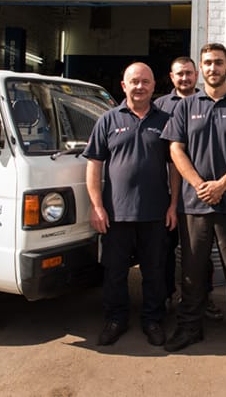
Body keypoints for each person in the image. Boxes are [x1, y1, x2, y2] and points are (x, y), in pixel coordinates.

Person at [160, 43, 226, 355]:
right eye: (207, 62)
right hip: (194, 205)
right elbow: (175, 148)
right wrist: (199, 184)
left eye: (218, 62)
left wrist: (222, 184)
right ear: (201, 68)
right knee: (192, 270)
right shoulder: (185, 107)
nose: (213, 68)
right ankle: (189, 327)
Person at [84, 62, 180, 348]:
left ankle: (153, 319)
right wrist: (97, 206)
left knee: (154, 271)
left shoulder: (166, 121)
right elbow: (94, 165)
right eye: (134, 81)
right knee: (115, 272)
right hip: (116, 213)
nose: (140, 86)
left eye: (145, 81)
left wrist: (173, 205)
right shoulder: (107, 120)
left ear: (154, 86)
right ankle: (116, 319)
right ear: (124, 86)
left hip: (156, 213)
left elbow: (174, 167)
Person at [155, 56, 224, 322]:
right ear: (171, 77)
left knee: (199, 254)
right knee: (166, 250)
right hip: (166, 194)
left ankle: (203, 298)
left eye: (188, 73)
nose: (184, 78)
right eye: (179, 74)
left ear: (196, 74)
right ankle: (167, 297)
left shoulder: (208, 102)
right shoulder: (159, 106)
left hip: (200, 194)